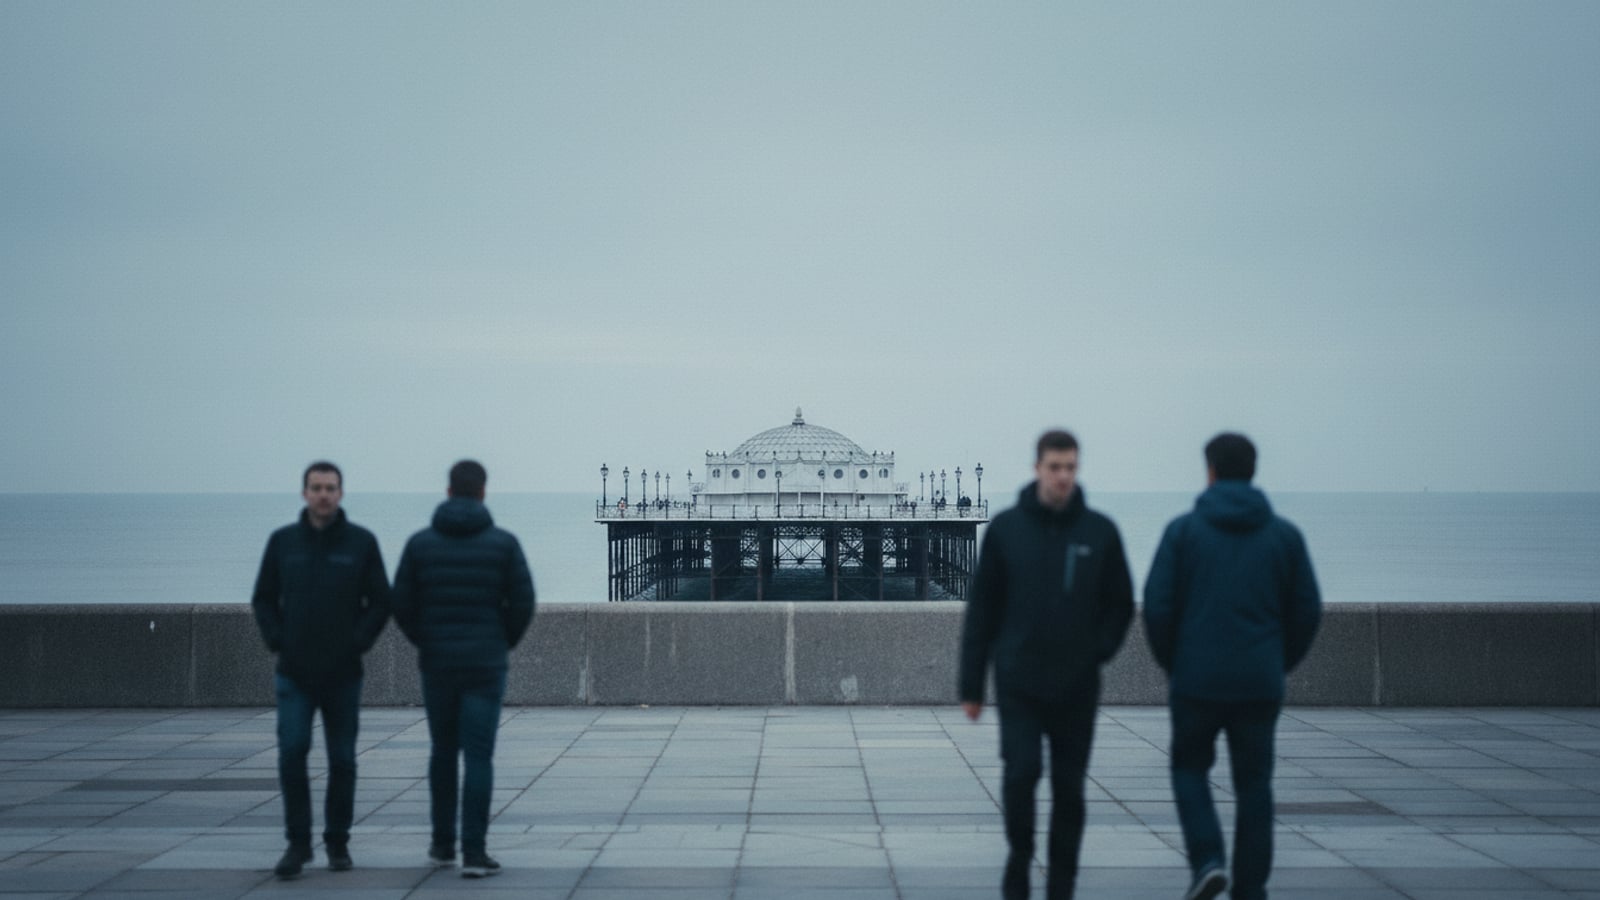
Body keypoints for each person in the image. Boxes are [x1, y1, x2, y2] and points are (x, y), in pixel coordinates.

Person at [1143, 433, 1322, 900]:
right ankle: (1251, 888)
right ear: (1253, 471)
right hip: (1259, 682)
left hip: (1197, 680)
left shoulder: (1183, 533)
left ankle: (1207, 860)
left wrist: (1174, 664)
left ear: (1210, 471)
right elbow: (1306, 611)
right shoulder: (1284, 536)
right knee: (1255, 784)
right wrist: (1278, 663)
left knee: (1188, 769)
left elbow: (1157, 608)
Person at [959, 429, 1134, 900]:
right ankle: (1020, 856)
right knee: (1020, 773)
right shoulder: (1006, 529)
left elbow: (1120, 603)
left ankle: (1062, 881)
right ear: (1038, 468)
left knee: (1069, 789)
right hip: (1018, 680)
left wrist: (1098, 650)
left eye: (1070, 468)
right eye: (1055, 467)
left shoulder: (1100, 531)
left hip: (1077, 684)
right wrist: (971, 685)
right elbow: (982, 610)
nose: (1063, 477)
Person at [392, 460, 535, 879]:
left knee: (442, 751)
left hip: (437, 664)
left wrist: (427, 639)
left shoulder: (420, 544)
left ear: (449, 491)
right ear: (484, 492)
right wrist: (500, 641)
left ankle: (441, 845)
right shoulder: (504, 544)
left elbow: (401, 603)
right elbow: (523, 603)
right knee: (479, 756)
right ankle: (474, 852)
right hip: (486, 665)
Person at [251, 461, 391, 879]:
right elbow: (263, 598)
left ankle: (337, 842)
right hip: (293, 672)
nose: (323, 494)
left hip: (343, 673)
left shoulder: (361, 543)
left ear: (341, 493)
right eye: (316, 487)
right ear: (305, 493)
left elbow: (381, 600)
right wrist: (278, 640)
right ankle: (297, 843)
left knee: (343, 760)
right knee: (292, 754)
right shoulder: (283, 543)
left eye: (330, 487)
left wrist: (357, 642)